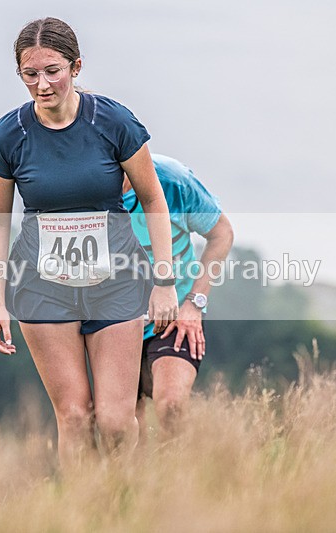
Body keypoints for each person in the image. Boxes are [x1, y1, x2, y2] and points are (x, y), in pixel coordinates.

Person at [0, 17, 179, 466]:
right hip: (42, 287)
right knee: (73, 417)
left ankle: (126, 508)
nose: (42, 84)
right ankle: (80, 514)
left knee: (114, 421)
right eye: (29, 74)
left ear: (75, 66)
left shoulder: (113, 121)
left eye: (52, 70)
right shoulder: (8, 136)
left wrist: (164, 282)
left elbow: (153, 199)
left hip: (116, 284)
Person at [123, 154, 234, 441]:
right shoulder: (84, 189)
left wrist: (195, 304)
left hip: (176, 312)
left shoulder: (172, 180)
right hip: (114, 322)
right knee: (122, 428)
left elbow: (222, 234)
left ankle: (186, 480)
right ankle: (133, 486)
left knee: (171, 406)